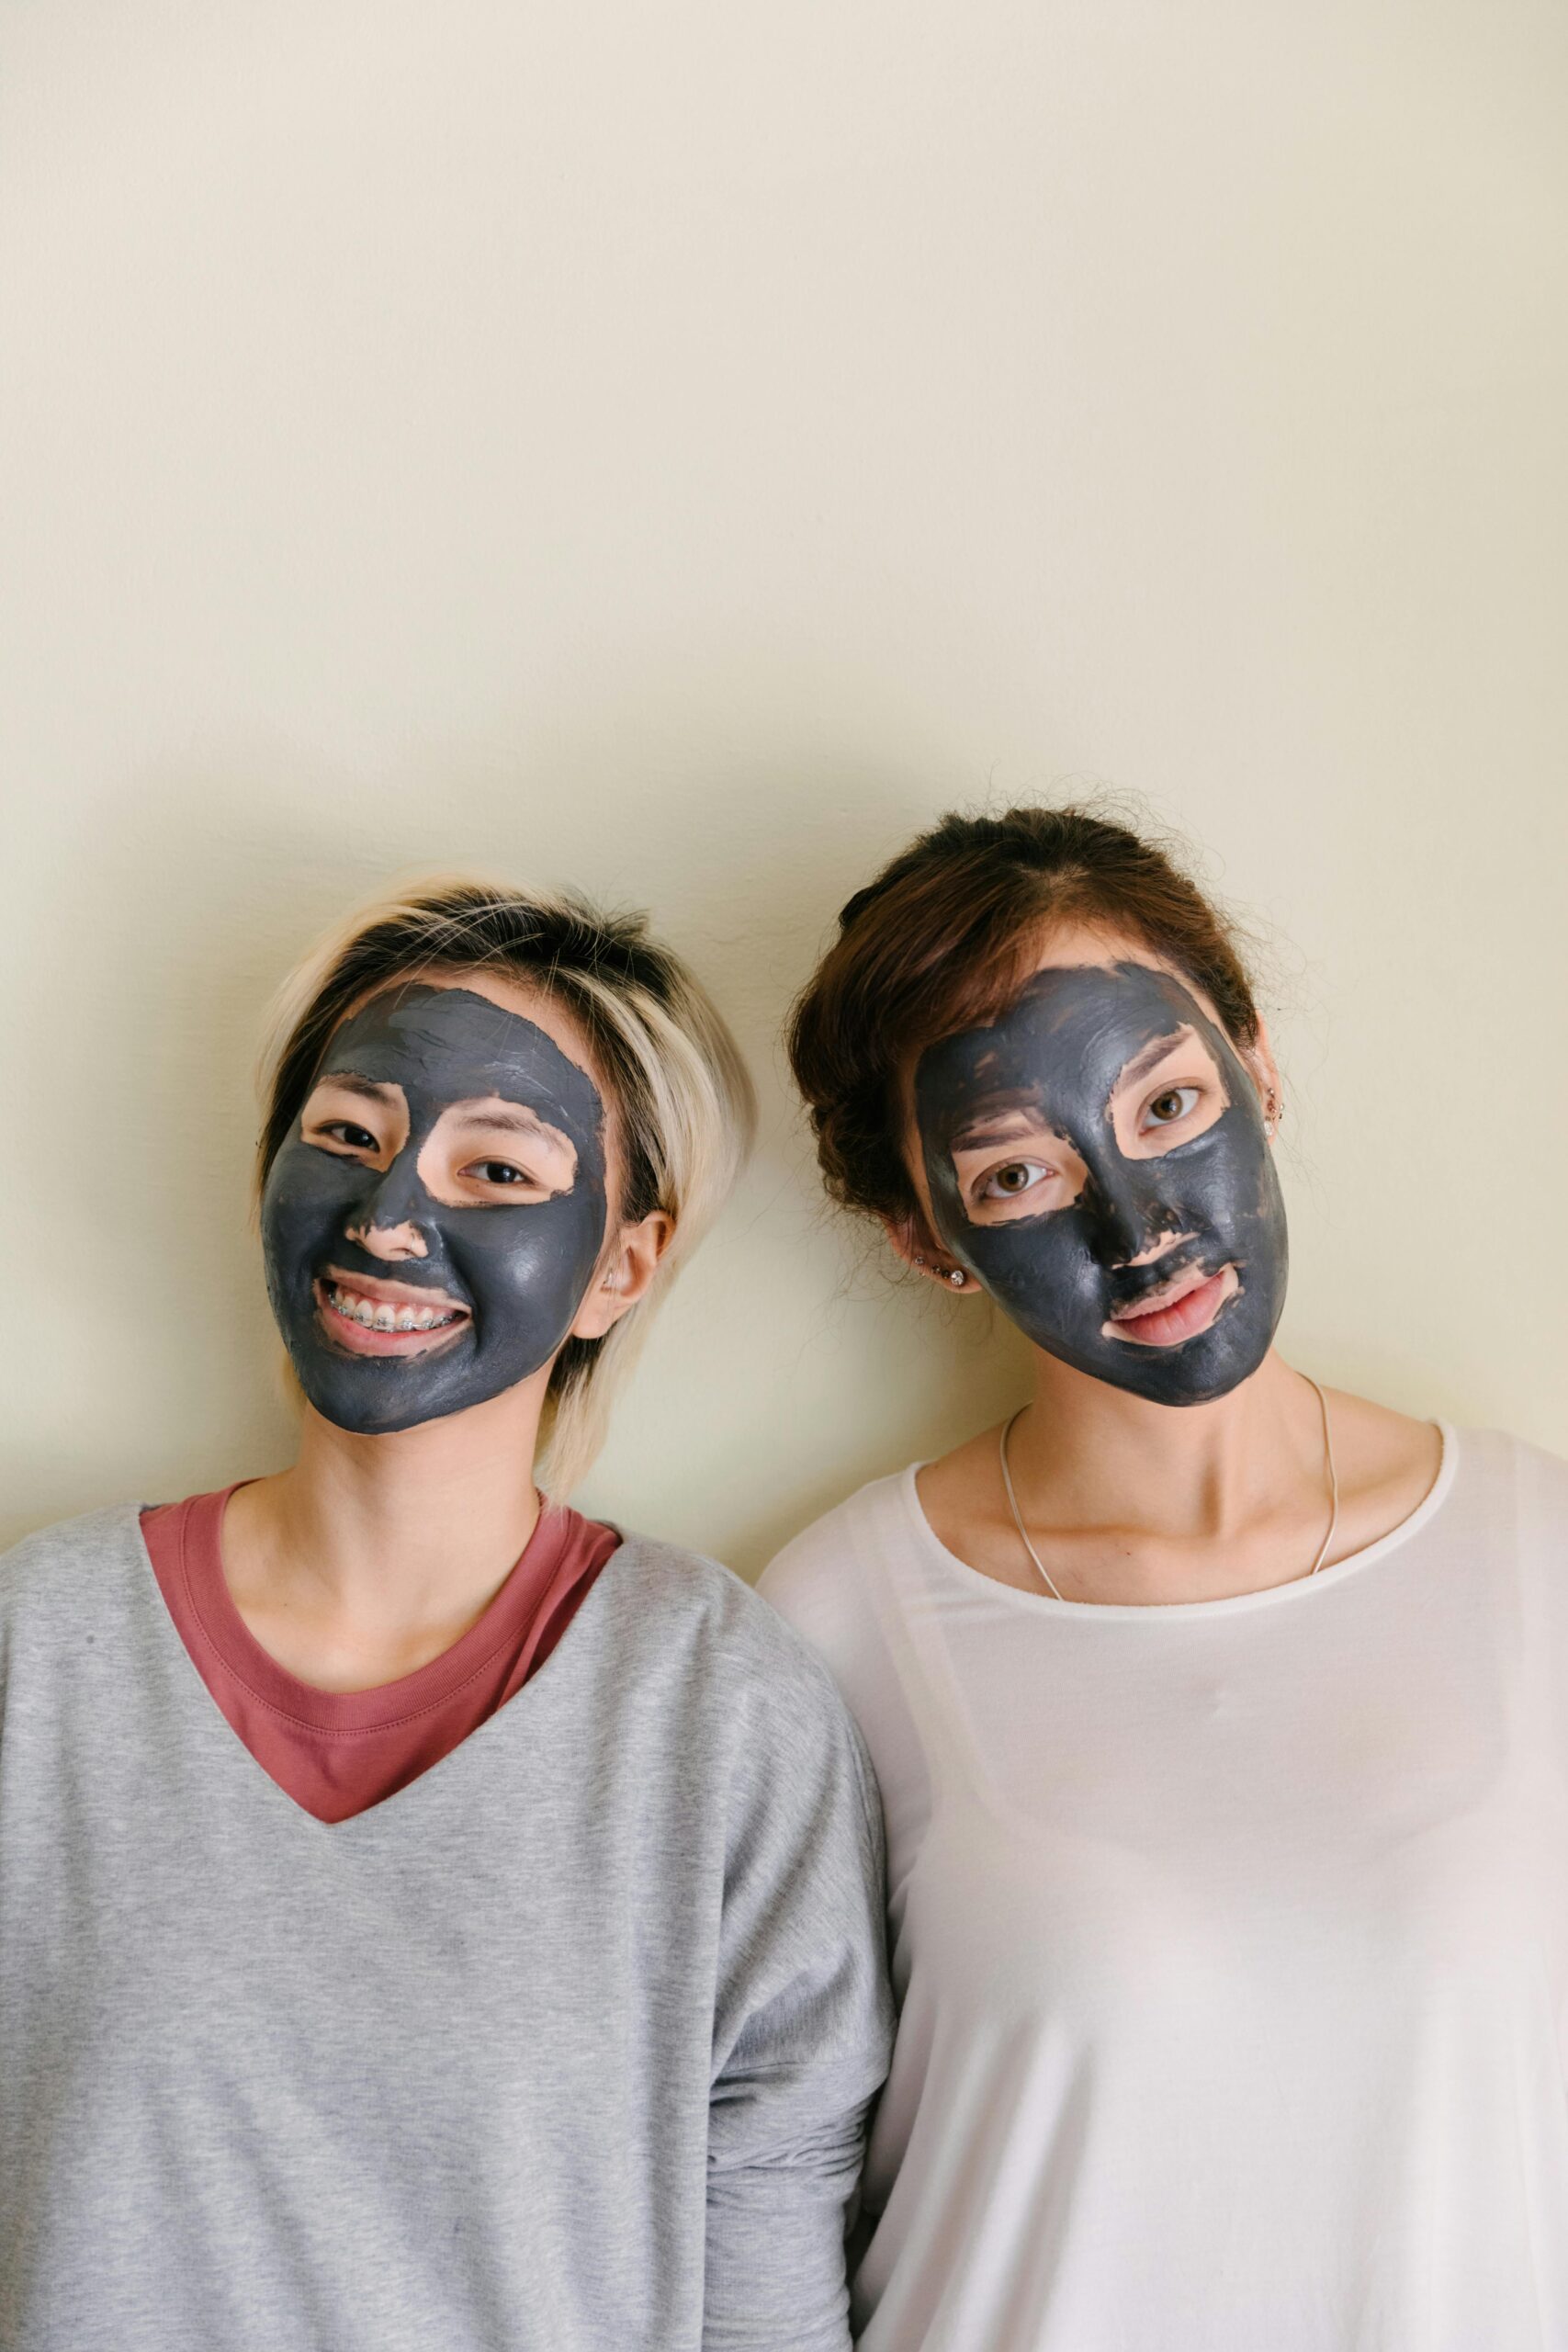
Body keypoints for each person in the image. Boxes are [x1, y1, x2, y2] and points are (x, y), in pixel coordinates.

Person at [0, 877, 891, 2352]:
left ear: (624, 1262)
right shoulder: (40, 1653)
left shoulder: (719, 1709)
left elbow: (774, 2233)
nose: (392, 1214)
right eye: (347, 1137)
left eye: (499, 1171)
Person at [761, 805, 1568, 2352]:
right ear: (924, 1235)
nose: (1144, 1234)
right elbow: (763, 2180)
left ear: (1258, 1072)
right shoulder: (839, 1621)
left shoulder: (1540, 1558)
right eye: (1012, 1179)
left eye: (1169, 1102)